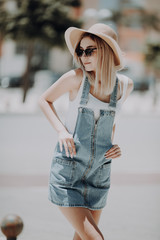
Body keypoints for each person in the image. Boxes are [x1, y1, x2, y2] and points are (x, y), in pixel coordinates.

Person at [39, 23, 133, 240]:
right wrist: (61, 131)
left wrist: (113, 145)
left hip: (99, 175)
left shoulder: (125, 86)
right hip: (68, 174)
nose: (83, 56)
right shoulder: (76, 78)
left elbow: (112, 122)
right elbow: (44, 99)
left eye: (90, 50)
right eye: (80, 51)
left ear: (107, 50)